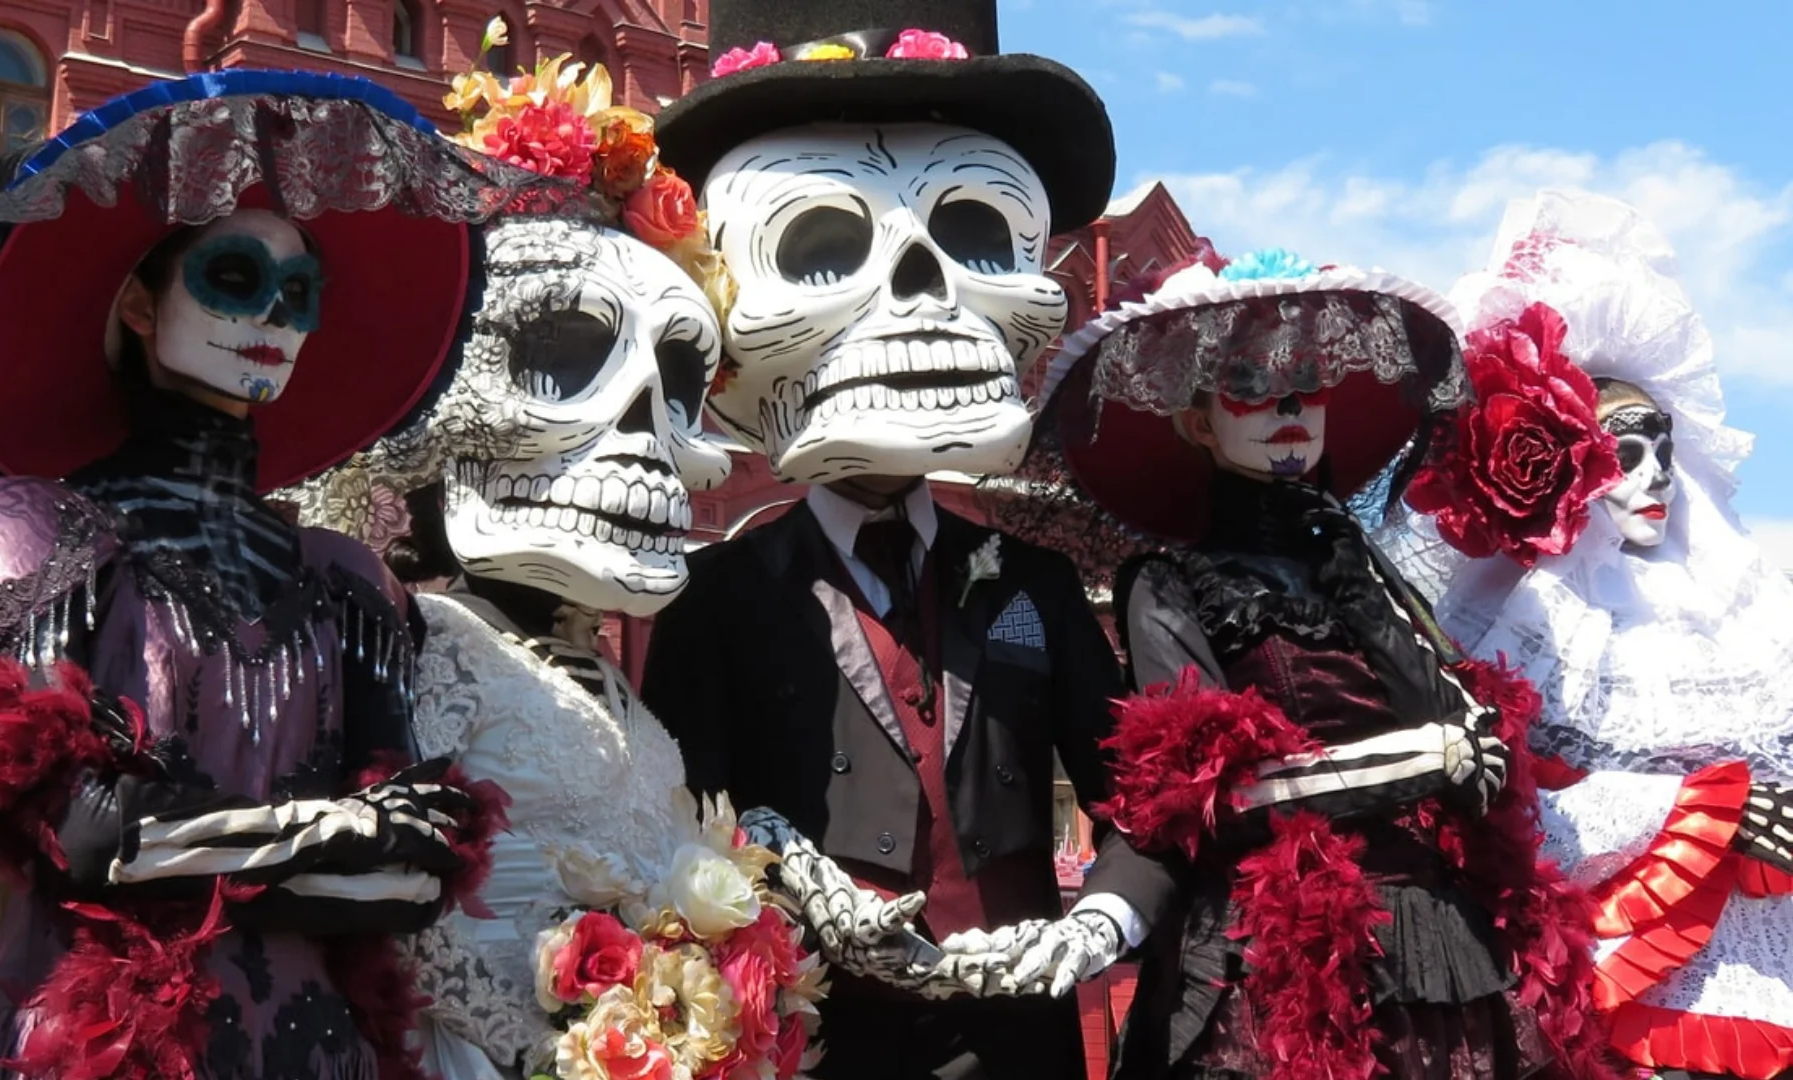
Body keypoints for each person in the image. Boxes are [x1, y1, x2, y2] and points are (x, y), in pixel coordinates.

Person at [0, 71, 573, 1080]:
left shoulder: (347, 583)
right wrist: (329, 830)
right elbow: (80, 840)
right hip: (101, 1050)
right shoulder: (24, 540)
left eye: (301, 296)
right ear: (140, 303)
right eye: (236, 279)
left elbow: (421, 868)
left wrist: (215, 850)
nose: (278, 321)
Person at [284, 52, 852, 1080]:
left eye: (681, 387)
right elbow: (400, 909)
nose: (651, 432)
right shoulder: (431, 647)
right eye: (560, 356)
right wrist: (558, 1055)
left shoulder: (593, 674)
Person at [643, 2, 1177, 1076]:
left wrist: (1102, 923)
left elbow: (1143, 792)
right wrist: (794, 884)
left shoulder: (1032, 579)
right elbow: (682, 821)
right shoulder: (723, 593)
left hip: (1023, 1038)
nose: (918, 292)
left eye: (971, 234)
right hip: (831, 1039)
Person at [993, 243, 1612, 1080]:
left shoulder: (1364, 570)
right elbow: (1213, 793)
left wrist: (1366, 594)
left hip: (1437, 948)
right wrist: (1426, 760)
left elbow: (1469, 734)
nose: (1287, 407)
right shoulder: (1169, 584)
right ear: (1200, 422)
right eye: (1251, 387)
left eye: (1306, 387)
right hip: (1275, 951)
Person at [1399, 189, 1793, 1080]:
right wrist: (1710, 813)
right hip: (1612, 983)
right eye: (1623, 450)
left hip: (1770, 965)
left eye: (1663, 444)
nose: (1654, 474)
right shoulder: (1520, 627)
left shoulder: (1751, 613)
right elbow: (1509, 821)